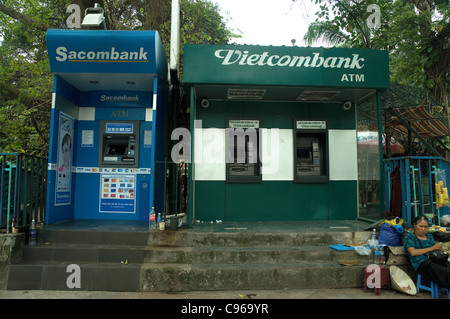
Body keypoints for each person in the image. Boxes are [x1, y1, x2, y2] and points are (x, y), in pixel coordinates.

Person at [404, 215, 450, 288]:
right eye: (421, 226)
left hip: (434, 260)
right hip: (421, 263)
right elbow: (413, 252)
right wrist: (432, 248)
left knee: (447, 265)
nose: (423, 229)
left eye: (425, 227)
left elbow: (435, 249)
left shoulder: (429, 236)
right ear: (415, 225)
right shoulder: (410, 237)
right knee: (444, 272)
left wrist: (439, 248)